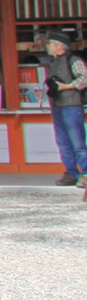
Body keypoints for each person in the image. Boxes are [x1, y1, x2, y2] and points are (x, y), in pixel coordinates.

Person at [40, 30, 87, 186]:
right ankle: (71, 173)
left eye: (50, 43)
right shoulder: (53, 62)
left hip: (72, 106)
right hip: (58, 106)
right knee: (63, 143)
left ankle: (85, 174)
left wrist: (67, 86)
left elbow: (85, 78)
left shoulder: (74, 60)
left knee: (78, 143)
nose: (48, 46)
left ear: (59, 45)